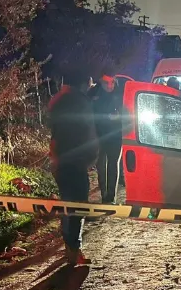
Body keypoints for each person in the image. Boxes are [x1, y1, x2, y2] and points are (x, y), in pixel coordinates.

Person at [49, 70, 98, 265]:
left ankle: (69, 247)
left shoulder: (57, 99)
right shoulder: (81, 101)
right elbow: (89, 130)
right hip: (76, 160)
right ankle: (73, 250)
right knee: (78, 205)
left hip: (59, 159)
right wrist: (92, 154)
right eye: (89, 83)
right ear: (84, 82)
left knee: (67, 203)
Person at [90, 73, 124, 204]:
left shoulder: (119, 94)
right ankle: (104, 195)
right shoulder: (93, 93)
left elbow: (127, 113)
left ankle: (111, 197)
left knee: (113, 164)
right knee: (101, 165)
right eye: (106, 83)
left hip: (115, 135)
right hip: (98, 135)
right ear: (100, 81)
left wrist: (119, 117)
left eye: (112, 82)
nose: (110, 86)